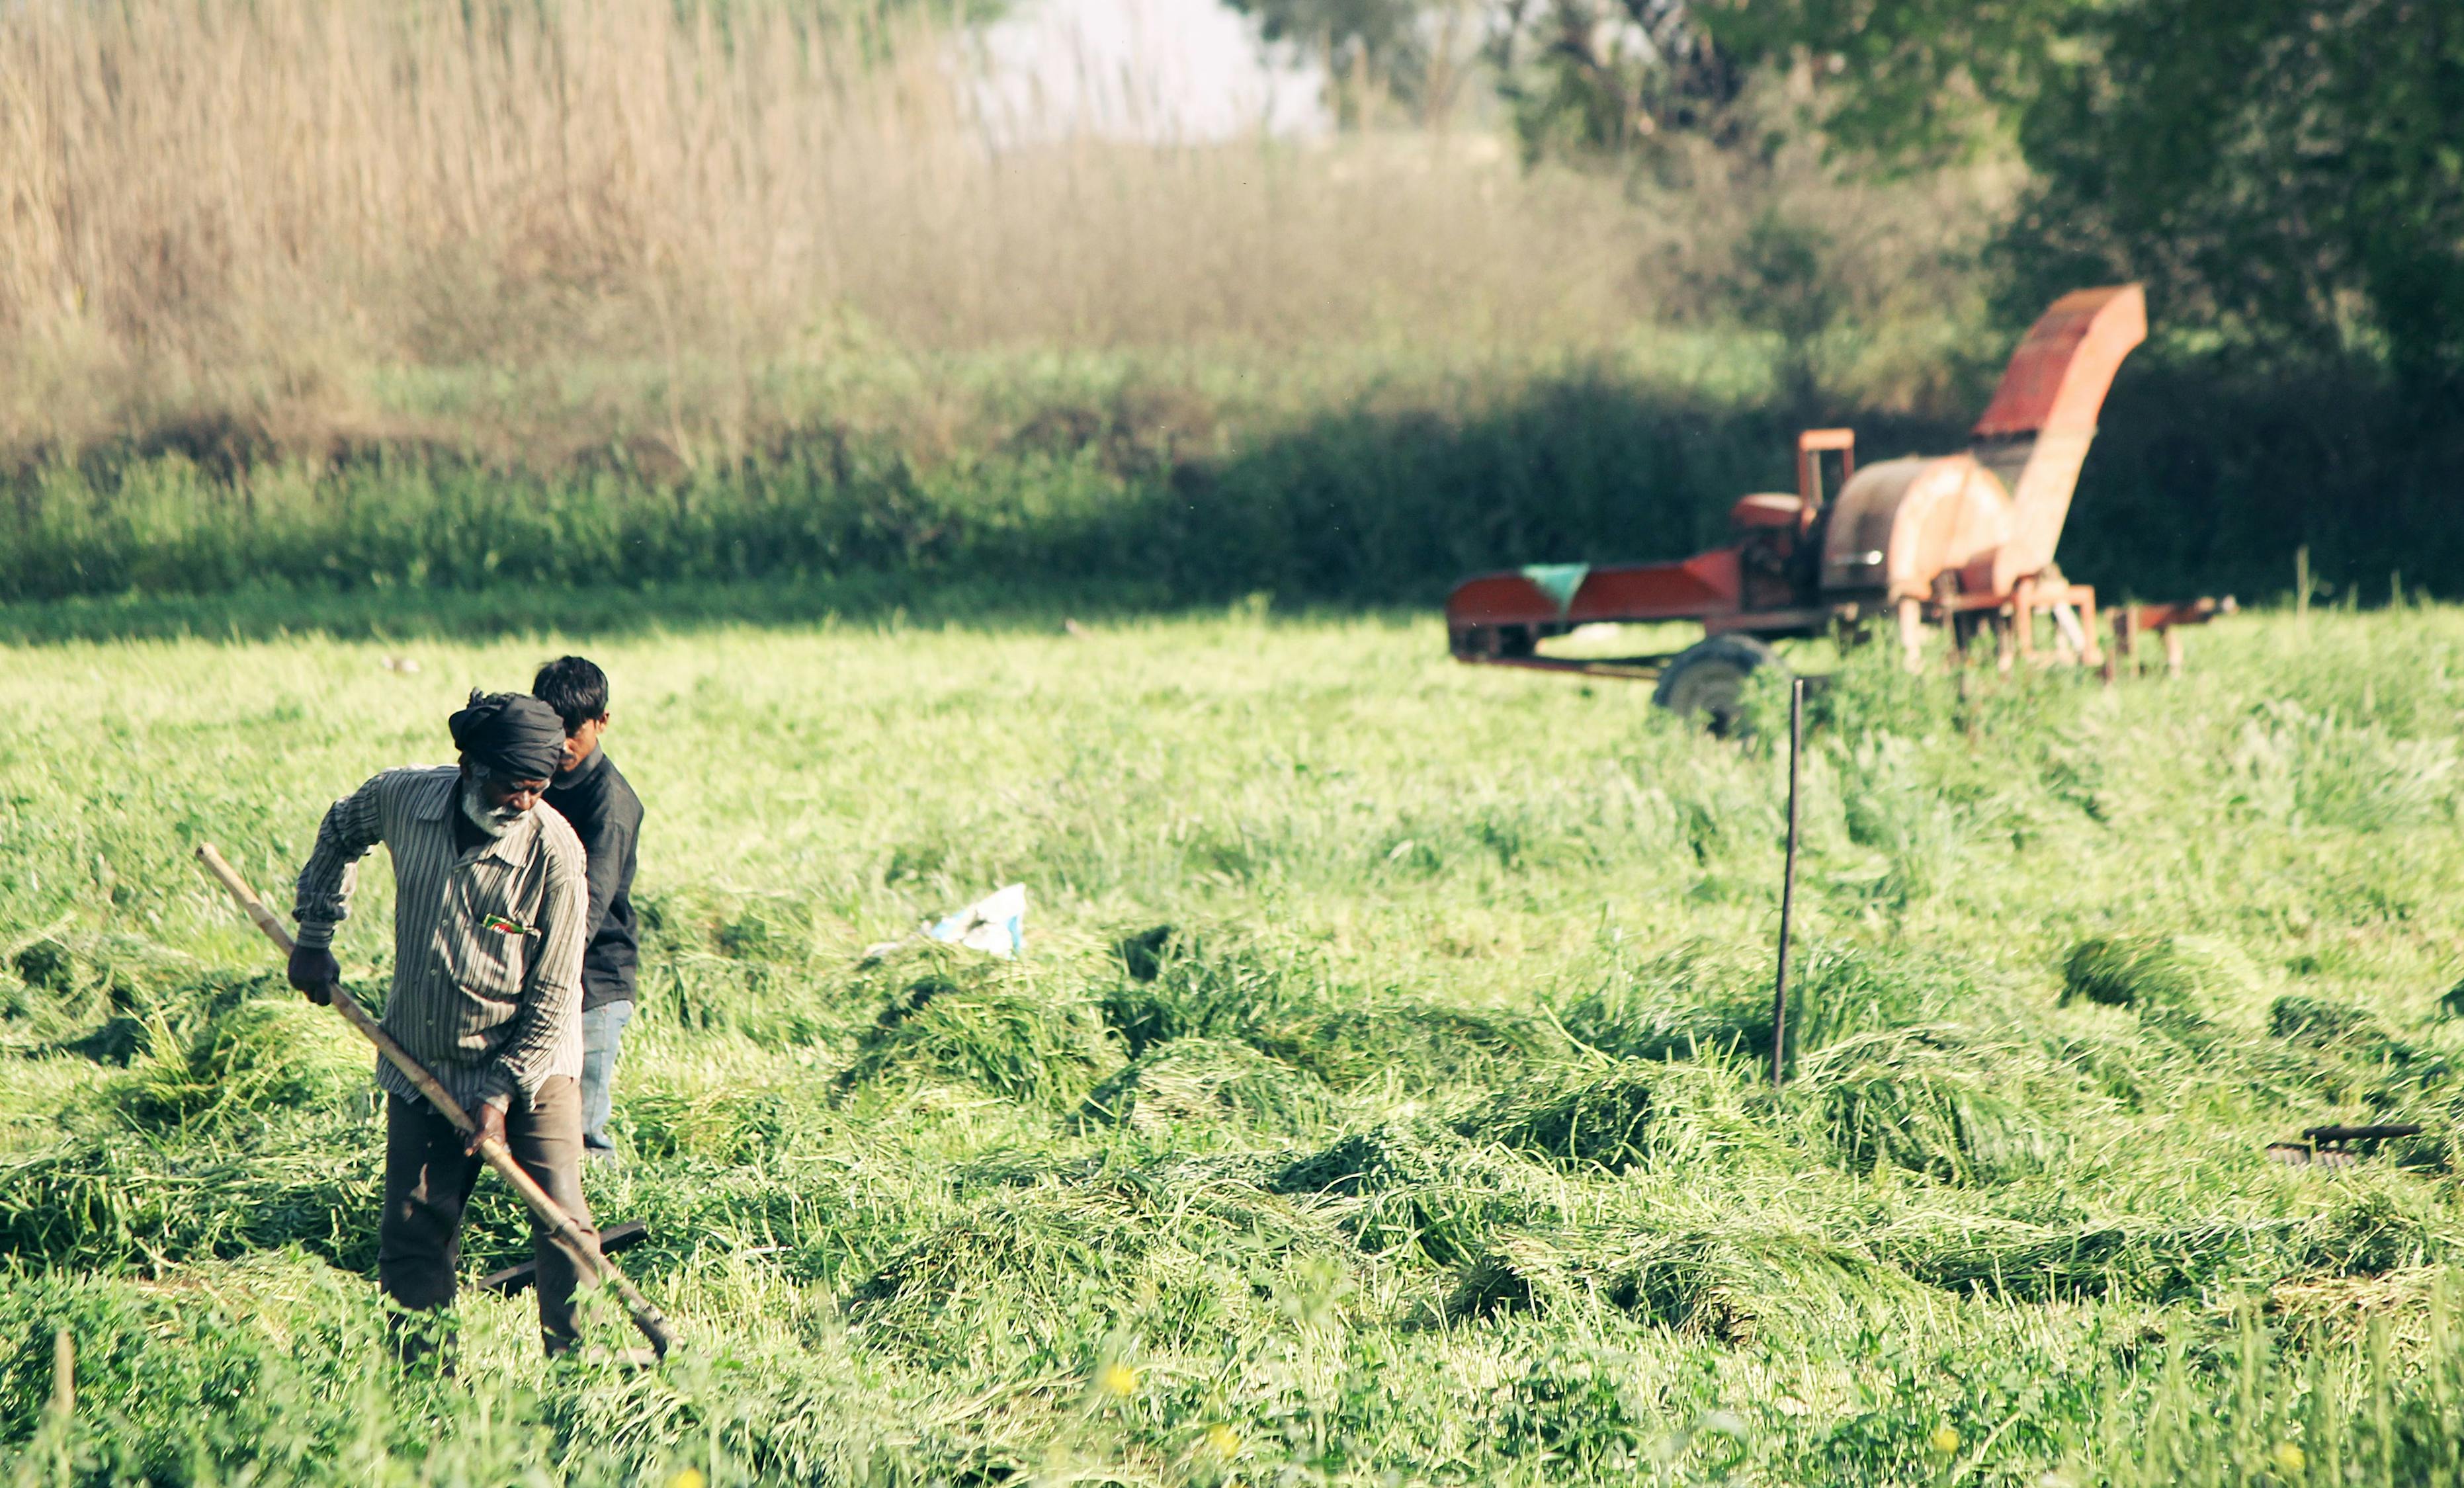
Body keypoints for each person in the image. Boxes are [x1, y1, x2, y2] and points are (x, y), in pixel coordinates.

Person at [286, 690, 596, 1359]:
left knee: (561, 1223)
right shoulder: (402, 799)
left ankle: (581, 1372)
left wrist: (498, 1095)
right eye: (513, 786)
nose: (523, 803)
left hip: (531, 1065)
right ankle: (425, 1383)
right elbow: (340, 831)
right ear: (470, 767)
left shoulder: (556, 855)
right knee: (413, 1229)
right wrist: (315, 933)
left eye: (537, 789)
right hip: (421, 1058)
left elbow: (553, 994)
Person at [532, 656, 644, 1162]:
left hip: (594, 982)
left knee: (582, 1129)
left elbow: (589, 908)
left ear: (602, 722)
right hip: (541, 966)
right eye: (551, 729)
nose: (563, 744)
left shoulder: (611, 805)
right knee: (534, 1116)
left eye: (574, 730)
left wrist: (538, 971)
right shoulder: (533, 782)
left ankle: (595, 1232)